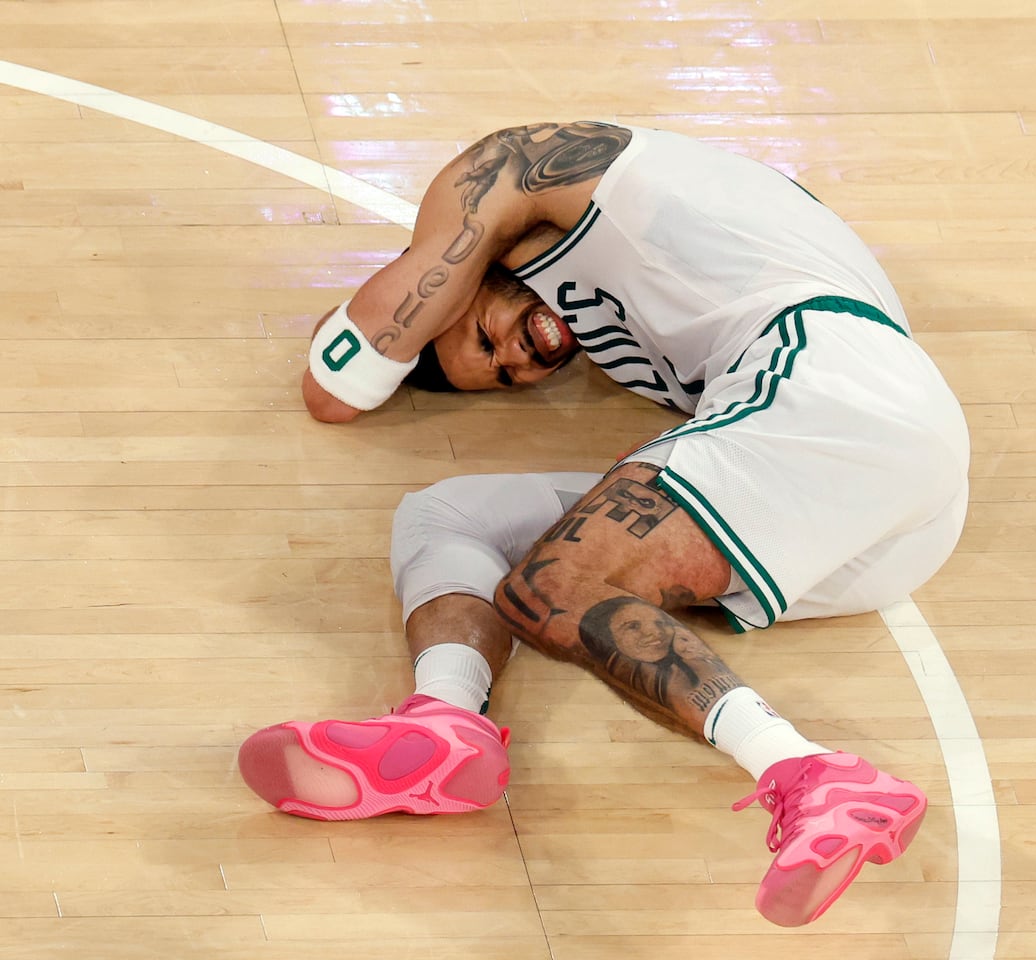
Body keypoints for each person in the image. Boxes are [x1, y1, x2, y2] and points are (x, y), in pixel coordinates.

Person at [237, 121, 970, 927]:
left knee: (553, 586)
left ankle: (807, 769)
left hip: (834, 383)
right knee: (446, 515)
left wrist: (408, 293)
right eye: (504, 376)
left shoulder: (526, 169)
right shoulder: (617, 325)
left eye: (483, 335)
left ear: (459, 283)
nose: (518, 358)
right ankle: (446, 722)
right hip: (885, 531)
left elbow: (333, 390)